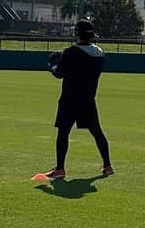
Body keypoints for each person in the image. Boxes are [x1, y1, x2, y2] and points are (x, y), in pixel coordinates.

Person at [37, 19, 113, 180]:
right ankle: (107, 165)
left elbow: (59, 73)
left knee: (63, 133)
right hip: (88, 99)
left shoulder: (71, 52)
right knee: (97, 132)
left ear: (77, 34)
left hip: (70, 98)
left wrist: (53, 64)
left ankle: (60, 169)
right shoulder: (99, 53)